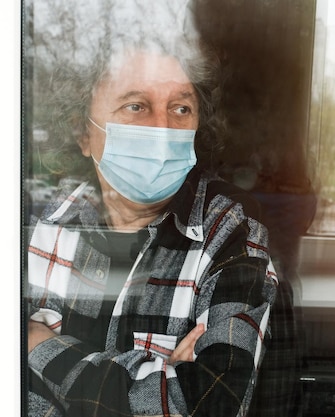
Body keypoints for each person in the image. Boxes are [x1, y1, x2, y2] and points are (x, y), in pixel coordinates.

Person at [25, 1, 277, 416]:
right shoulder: (28, 225)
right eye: (136, 106)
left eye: (180, 108)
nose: (162, 129)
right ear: (82, 133)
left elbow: (208, 405)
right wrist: (156, 387)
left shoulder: (231, 236)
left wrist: (36, 345)